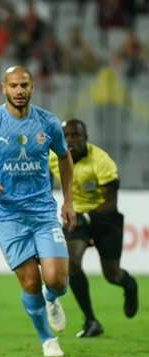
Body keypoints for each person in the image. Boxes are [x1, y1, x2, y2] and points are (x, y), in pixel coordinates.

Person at [0, 65, 76, 357]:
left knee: (57, 281)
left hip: (42, 211)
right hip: (7, 214)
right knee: (30, 281)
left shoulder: (48, 123)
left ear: (33, 87)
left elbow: (65, 157)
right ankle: (47, 338)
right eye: (14, 86)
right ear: (4, 88)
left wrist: (69, 200)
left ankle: (53, 299)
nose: (19, 91)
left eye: (24, 85)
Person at [49, 119, 139, 337]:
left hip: (104, 217)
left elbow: (111, 201)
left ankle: (129, 285)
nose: (71, 140)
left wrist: (90, 217)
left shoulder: (101, 161)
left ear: (85, 137)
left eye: (76, 135)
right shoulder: (54, 158)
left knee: (112, 274)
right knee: (71, 263)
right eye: (67, 136)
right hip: (76, 216)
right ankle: (91, 321)